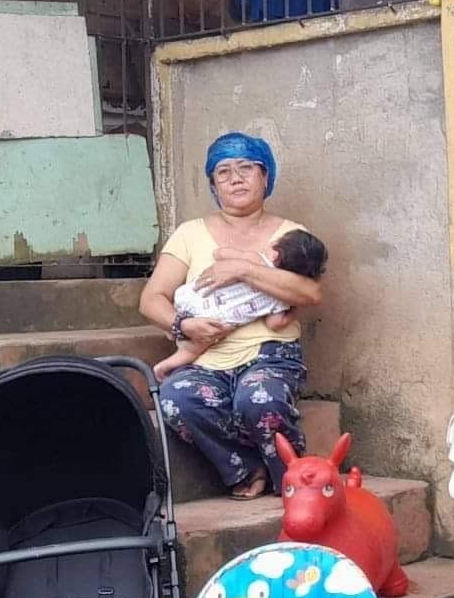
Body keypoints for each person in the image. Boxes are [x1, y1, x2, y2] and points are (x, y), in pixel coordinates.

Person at [141, 133, 324, 499]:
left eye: (246, 168)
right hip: (206, 357)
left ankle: (294, 481)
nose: (236, 178)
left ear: (265, 177)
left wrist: (243, 271)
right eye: (223, 172)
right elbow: (151, 299)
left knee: (258, 399)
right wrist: (183, 325)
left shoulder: (291, 236)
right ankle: (245, 465)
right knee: (176, 398)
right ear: (213, 185)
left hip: (270, 354)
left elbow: (311, 292)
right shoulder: (190, 234)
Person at [153, 228, 329, 380]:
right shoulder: (281, 299)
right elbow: (274, 324)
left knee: (182, 306)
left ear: (276, 252)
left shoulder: (254, 259)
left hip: (194, 296)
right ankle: (167, 365)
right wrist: (294, 308)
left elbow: (219, 253)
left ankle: (172, 328)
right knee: (196, 348)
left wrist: (234, 259)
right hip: (216, 321)